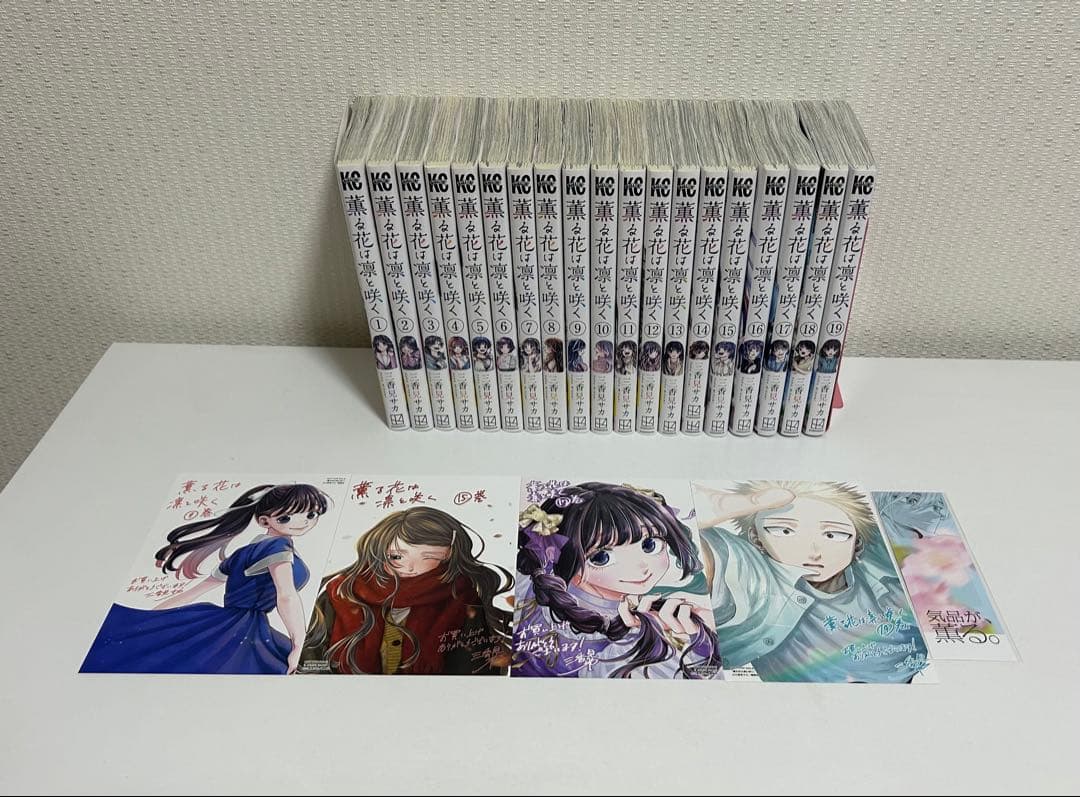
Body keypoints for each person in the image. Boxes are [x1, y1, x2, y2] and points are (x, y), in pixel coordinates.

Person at [81, 483, 332, 675]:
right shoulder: (278, 547)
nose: (303, 522)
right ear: (264, 521)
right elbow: (286, 595)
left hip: (222, 622)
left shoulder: (241, 553)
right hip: (246, 628)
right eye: (286, 518)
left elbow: (193, 593)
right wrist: (298, 644)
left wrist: (149, 621)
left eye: (311, 515)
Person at [694, 480, 930, 683]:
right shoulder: (758, 580)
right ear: (756, 538)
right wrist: (694, 518)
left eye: (833, 534)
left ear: (857, 543)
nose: (813, 551)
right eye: (784, 531)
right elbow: (713, 558)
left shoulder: (885, 568)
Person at [513, 482, 722, 679]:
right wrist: (700, 647)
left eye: (649, 545)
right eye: (601, 557)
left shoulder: (527, 582)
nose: (641, 567)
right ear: (557, 556)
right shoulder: (632, 642)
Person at [301, 506, 512, 675]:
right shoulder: (343, 592)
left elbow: (477, 667)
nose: (410, 568)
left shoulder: (464, 595)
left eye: (428, 557)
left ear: (448, 554)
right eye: (397, 556)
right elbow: (311, 659)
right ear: (380, 550)